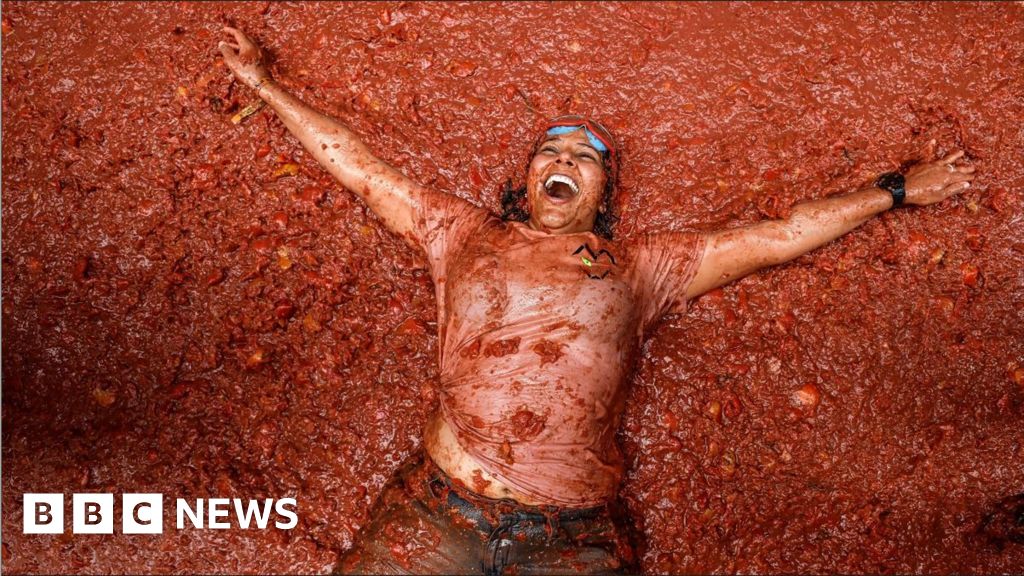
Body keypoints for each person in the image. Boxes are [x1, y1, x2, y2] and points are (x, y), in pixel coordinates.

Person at [218, 26, 976, 575]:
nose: (564, 159)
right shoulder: (459, 231)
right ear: (525, 180)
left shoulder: (646, 265)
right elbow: (361, 168)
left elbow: (777, 235)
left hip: (571, 542)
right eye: (550, 150)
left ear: (604, 191)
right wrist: (263, 85)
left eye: (585, 156)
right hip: (435, 512)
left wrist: (895, 190)